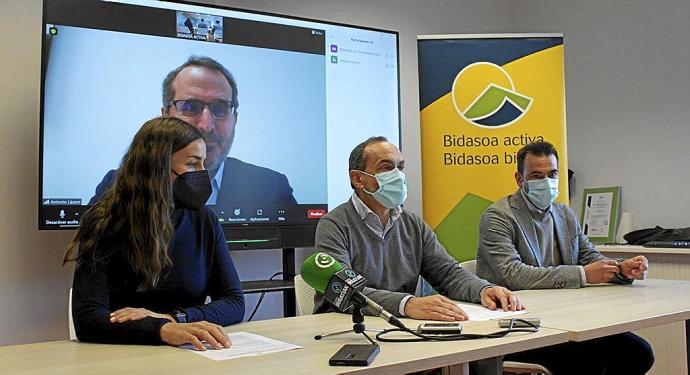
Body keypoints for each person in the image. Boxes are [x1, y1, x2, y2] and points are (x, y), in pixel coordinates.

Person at [66, 117, 245, 350]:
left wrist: (176, 320)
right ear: (157, 169)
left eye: (203, 164)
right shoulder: (104, 222)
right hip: (120, 356)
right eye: (192, 165)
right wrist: (161, 330)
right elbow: (88, 319)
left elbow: (234, 302)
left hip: (189, 355)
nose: (203, 173)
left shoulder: (204, 220)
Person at [476, 140, 653, 374]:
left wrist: (619, 268)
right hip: (522, 326)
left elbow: (588, 255)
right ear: (520, 180)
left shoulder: (564, 213)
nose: (546, 182)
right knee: (584, 363)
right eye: (537, 176)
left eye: (552, 174)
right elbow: (512, 275)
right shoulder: (498, 217)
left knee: (638, 353)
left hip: (567, 319)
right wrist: (583, 274)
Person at [314, 136, 523, 320]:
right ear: (358, 178)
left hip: (398, 327)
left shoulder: (412, 224)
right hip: (345, 329)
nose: (397, 175)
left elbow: (448, 274)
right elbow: (342, 289)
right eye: (386, 167)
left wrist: (483, 290)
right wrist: (406, 304)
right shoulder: (334, 224)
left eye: (400, 167)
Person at [90, 56, 297, 217]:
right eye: (190, 107)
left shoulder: (272, 186)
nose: (206, 125)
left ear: (235, 119)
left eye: (220, 108)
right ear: (165, 116)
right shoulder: (117, 185)